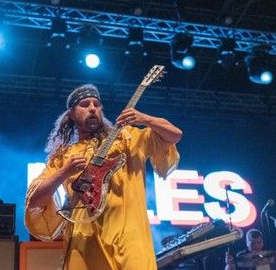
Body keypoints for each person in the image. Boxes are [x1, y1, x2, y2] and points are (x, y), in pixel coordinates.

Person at [25, 84, 182, 269]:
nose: (92, 108)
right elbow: (35, 199)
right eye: (84, 104)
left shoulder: (127, 138)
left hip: (130, 239)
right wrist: (64, 172)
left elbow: (175, 135)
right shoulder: (63, 156)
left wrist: (145, 119)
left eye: (97, 104)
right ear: (71, 114)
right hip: (84, 241)